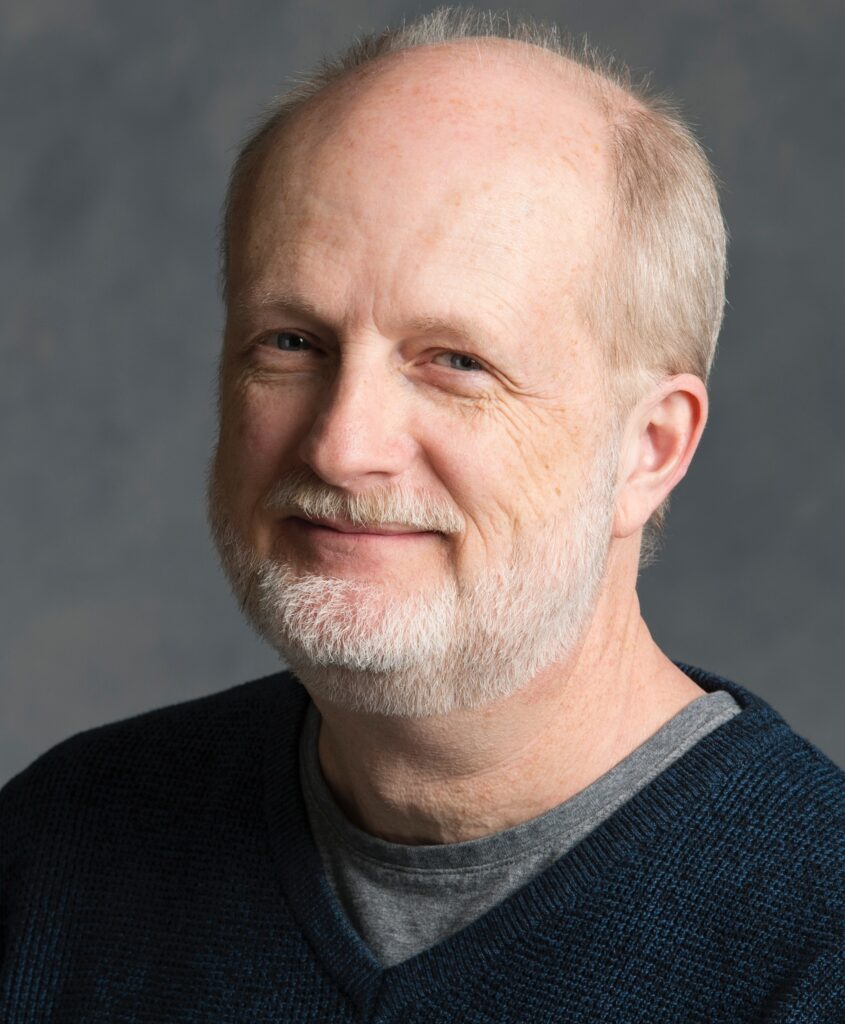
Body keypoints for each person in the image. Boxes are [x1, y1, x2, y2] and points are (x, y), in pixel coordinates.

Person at [2, 8, 843, 1022]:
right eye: (290, 342)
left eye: (454, 361)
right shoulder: (58, 847)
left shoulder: (814, 942)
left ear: (649, 447)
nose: (341, 443)